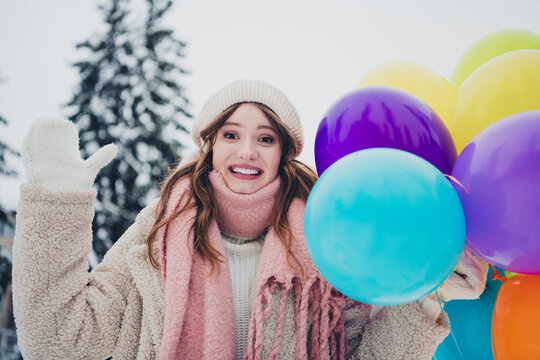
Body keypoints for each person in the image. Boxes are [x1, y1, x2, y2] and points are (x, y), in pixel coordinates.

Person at [12, 80, 488, 360]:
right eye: (231, 134)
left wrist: (427, 296)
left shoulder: (326, 242)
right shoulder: (155, 235)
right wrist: (56, 205)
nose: (246, 151)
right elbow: (57, 341)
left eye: (265, 139)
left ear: (283, 152)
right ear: (210, 145)